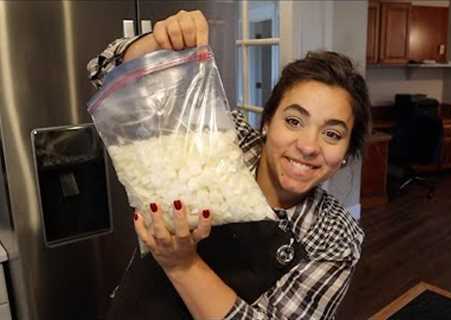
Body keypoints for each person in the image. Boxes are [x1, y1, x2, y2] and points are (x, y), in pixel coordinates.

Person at [88, 10, 370, 320]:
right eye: (293, 120)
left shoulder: (335, 237)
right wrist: (157, 42)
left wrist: (183, 265)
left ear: (345, 153)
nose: (307, 146)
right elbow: (101, 72)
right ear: (267, 123)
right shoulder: (219, 138)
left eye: (332, 134)